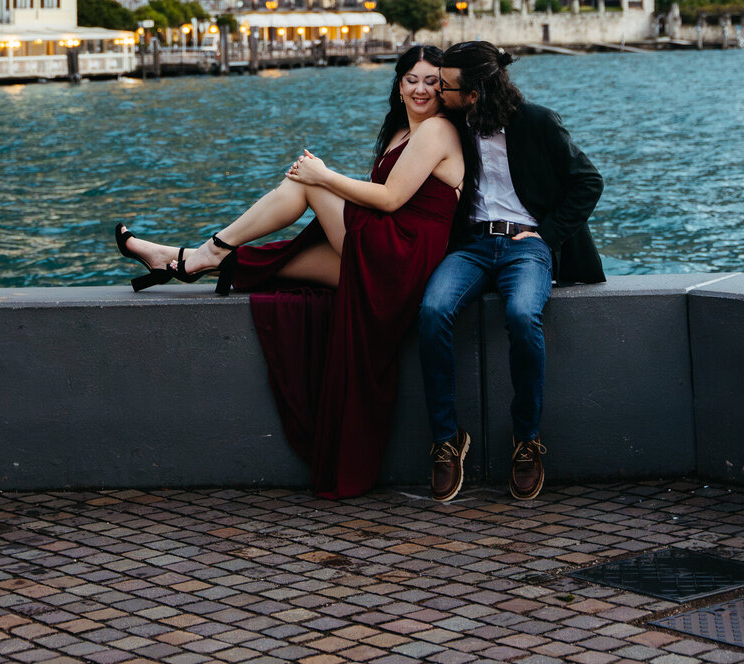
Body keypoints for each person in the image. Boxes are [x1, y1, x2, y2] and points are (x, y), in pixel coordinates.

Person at [114, 44, 468, 497]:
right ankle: (176, 258)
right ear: (398, 86)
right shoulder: (403, 132)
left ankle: (206, 254)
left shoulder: (437, 130)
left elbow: (390, 200)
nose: (421, 89)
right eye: (411, 80)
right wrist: (324, 178)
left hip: (405, 259)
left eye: (431, 81)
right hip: (388, 252)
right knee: (279, 266)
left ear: (444, 89)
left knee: (303, 183)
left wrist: (323, 175)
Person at [418, 40, 604, 504]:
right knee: (432, 310)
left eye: (446, 86)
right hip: (473, 245)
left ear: (475, 92)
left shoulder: (537, 121)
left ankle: (527, 440)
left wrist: (546, 235)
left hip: (527, 246)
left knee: (523, 316)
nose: (438, 91)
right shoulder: (452, 125)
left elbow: (589, 181)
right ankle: (447, 439)